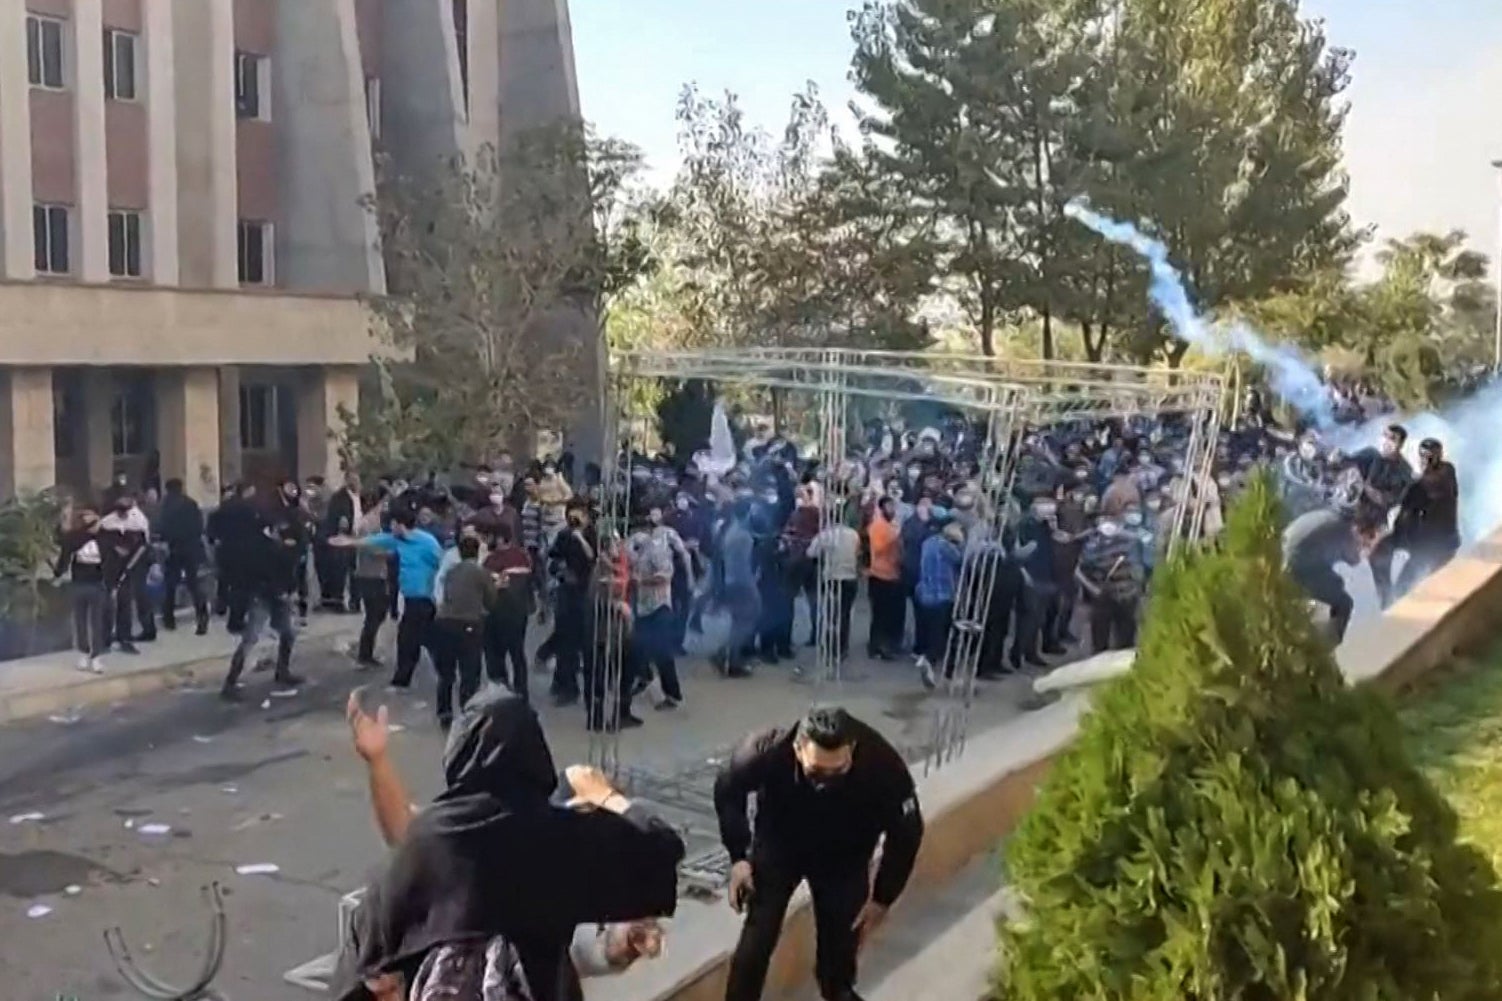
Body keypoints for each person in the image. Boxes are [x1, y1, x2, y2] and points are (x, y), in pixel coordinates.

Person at [332, 689, 685, 1001]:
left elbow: (361, 961)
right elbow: (661, 850)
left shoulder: (431, 841)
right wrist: (604, 794)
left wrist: (378, 762)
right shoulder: (558, 837)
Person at [714, 706, 924, 1001]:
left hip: (844, 858)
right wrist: (738, 857)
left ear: (851, 750)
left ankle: (838, 990)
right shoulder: (769, 749)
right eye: (816, 772)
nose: (825, 782)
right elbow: (728, 789)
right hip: (780, 845)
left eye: (837, 772)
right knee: (757, 939)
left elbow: (908, 831)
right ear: (797, 750)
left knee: (838, 954)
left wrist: (882, 898)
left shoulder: (882, 764)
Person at [347, 511, 444, 691]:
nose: (390, 528)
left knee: (416, 640)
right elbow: (375, 540)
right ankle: (410, 678)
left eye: (392, 524)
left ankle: (423, 677)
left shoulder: (427, 542)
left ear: (400, 525)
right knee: (414, 640)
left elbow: (442, 564)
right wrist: (349, 542)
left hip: (425, 599)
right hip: (409, 599)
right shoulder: (397, 540)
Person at [221, 518, 305, 700]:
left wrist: (289, 591)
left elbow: (291, 571)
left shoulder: (283, 547)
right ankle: (230, 682)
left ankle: (282, 671)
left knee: (288, 632)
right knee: (251, 637)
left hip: (278, 596)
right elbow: (259, 576)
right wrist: (280, 591)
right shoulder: (261, 548)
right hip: (263, 597)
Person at [1342, 423, 1415, 609]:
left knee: (1381, 573)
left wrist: (1365, 486)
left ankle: (1390, 610)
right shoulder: (1370, 455)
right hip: (1352, 519)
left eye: (1393, 439)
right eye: (1385, 436)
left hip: (1379, 527)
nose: (1386, 442)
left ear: (1400, 445)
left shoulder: (1404, 471)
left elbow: (1387, 500)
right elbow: (1347, 461)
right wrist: (1337, 458)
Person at [431, 535, 497, 730]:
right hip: (469, 624)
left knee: (446, 673)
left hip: (444, 623)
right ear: (477, 553)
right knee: (469, 672)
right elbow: (491, 600)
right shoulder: (481, 573)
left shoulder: (451, 572)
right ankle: (467, 711)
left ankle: (444, 711)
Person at [1392, 437, 1461, 598]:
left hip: (1435, 544)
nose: (1426, 460)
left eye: (1431, 456)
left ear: (1439, 456)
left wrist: (1400, 540)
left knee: (1404, 587)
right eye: (1423, 456)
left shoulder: (1422, 484)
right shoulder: (1448, 470)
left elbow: (1404, 517)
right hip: (1445, 541)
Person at [1283, 507, 1362, 644]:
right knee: (1345, 602)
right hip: (1299, 569)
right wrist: (1360, 543)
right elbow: (1353, 560)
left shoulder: (1321, 514)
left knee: (1335, 582)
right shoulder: (1342, 529)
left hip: (1283, 559)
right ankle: (1329, 646)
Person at [1075, 514, 1145, 653]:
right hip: (1102, 594)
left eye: (1111, 521)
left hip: (1126, 593)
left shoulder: (1131, 542)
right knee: (1100, 635)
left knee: (1126, 635)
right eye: (1103, 521)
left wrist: (1135, 587)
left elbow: (1138, 567)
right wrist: (1092, 589)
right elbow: (1080, 570)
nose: (1107, 525)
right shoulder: (1091, 544)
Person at [482, 522, 534, 698]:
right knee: (517, 654)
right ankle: (522, 692)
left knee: (495, 655)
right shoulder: (523, 556)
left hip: (496, 613)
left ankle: (500, 692)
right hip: (520, 613)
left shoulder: (491, 560)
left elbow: (487, 587)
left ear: (498, 538)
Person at [56, 507, 109, 673]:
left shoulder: (105, 538)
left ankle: (96, 656)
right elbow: (64, 553)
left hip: (98, 584)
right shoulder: (75, 539)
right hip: (79, 584)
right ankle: (84, 653)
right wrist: (58, 572)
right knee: (80, 621)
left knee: (96, 622)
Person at [157, 479, 210, 635]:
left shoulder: (166, 506)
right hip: (191, 548)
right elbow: (200, 526)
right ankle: (202, 617)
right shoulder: (191, 503)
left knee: (170, 584)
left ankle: (169, 619)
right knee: (194, 584)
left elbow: (162, 527)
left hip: (174, 549)